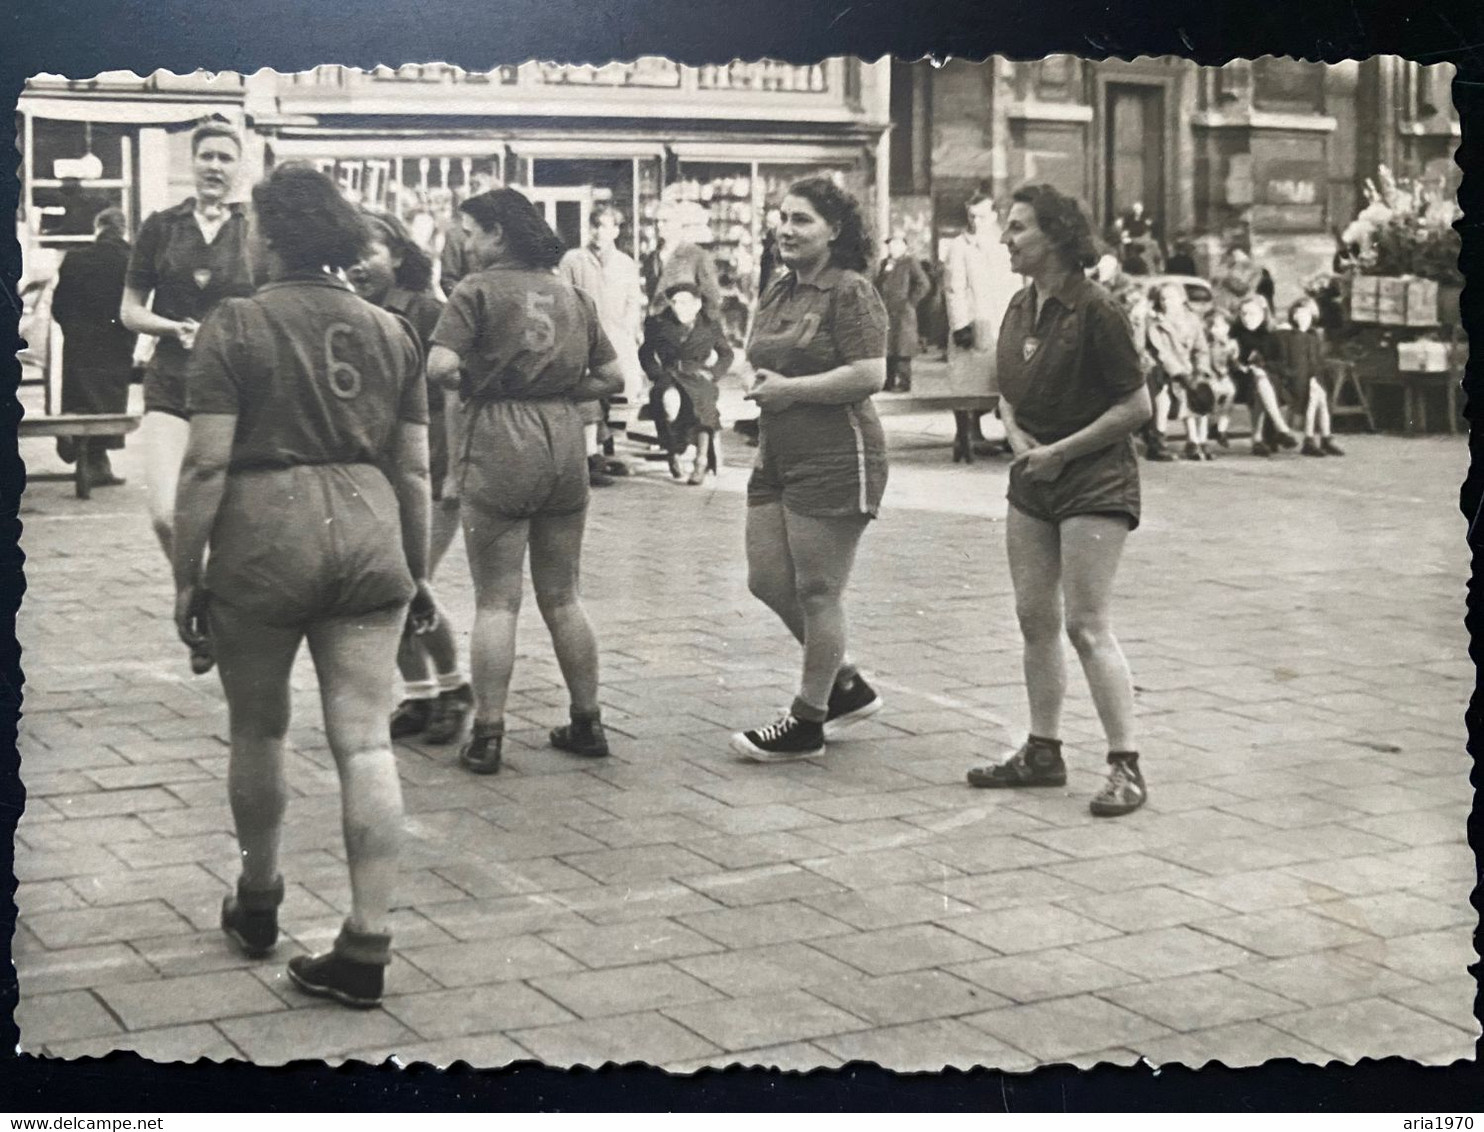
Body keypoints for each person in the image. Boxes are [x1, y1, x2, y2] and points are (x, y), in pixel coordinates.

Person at [170, 164, 434, 1008]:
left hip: (263, 533)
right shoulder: (393, 331)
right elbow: (417, 470)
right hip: (367, 529)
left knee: (260, 730)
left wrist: (188, 577)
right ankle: (366, 942)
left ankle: (259, 900)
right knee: (365, 742)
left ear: (272, 236)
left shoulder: (235, 324)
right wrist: (418, 570)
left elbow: (207, 461)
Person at [964, 183, 1153, 818]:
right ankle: (1043, 752)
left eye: (1018, 228)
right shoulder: (1021, 305)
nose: (1006, 239)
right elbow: (1008, 391)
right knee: (1033, 619)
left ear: (1057, 237)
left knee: (1086, 625)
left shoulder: (1098, 310)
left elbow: (1136, 406)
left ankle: (1126, 766)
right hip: (1033, 480)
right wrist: (1018, 435)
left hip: (1094, 480)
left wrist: (1062, 452)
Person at [425, 189, 627, 776]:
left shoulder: (476, 291)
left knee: (497, 599)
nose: (464, 242)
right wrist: (561, 392)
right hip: (562, 438)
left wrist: (487, 382)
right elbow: (611, 375)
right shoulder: (574, 294)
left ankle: (488, 733)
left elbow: (441, 367)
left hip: (500, 438)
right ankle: (587, 721)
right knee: (563, 595)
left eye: (470, 230)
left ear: (497, 234)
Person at [731, 177, 888, 763]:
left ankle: (808, 721)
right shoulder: (779, 289)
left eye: (801, 221)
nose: (786, 230)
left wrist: (791, 389)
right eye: (783, 218)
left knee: (819, 591)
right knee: (767, 579)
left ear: (835, 231)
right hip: (778, 453)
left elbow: (871, 373)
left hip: (837, 456)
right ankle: (844, 684)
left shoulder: (850, 291)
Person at [348, 209, 475, 746]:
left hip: (431, 466)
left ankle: (456, 687)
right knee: (385, 584)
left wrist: (454, 471)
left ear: (399, 255)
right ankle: (420, 693)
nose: (356, 265)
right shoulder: (353, 311)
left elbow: (456, 392)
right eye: (349, 254)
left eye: (368, 252)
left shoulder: (426, 311)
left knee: (409, 582)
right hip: (376, 468)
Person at [122, 120, 255, 560]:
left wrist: (223, 335)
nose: (215, 166)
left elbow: (272, 308)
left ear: (239, 166)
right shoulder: (161, 226)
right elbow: (130, 311)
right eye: (207, 156)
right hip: (171, 380)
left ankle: (217, 606)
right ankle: (191, 589)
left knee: (232, 517)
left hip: (240, 387)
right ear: (192, 162)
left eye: (225, 158)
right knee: (165, 512)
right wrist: (172, 327)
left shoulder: (254, 230)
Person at [558, 204, 647, 487]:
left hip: (616, 339)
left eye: (606, 226)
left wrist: (630, 328)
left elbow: (634, 300)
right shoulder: (573, 259)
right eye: (595, 225)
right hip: (583, 338)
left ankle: (602, 447)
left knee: (616, 390)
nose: (599, 232)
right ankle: (589, 455)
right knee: (588, 391)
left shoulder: (625, 263)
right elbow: (563, 297)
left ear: (616, 230)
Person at [50, 207, 135, 487]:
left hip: (80, 344)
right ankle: (98, 463)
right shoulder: (131, 259)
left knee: (81, 396)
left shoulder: (75, 258)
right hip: (117, 342)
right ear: (122, 230)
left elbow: (58, 306)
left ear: (98, 228)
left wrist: (73, 331)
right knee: (108, 403)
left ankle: (75, 434)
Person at [943, 189, 1020, 463]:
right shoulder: (960, 246)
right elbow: (954, 289)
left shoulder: (1005, 243)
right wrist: (960, 325)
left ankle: (1013, 436)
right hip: (974, 325)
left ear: (995, 215)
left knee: (1007, 382)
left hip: (1005, 323)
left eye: (982, 216)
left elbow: (1018, 282)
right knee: (970, 386)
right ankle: (968, 435)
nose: (976, 221)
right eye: (972, 216)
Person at [639, 281, 734, 484]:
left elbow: (726, 354)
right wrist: (656, 374)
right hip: (670, 375)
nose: (679, 307)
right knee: (668, 404)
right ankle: (672, 452)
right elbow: (646, 353)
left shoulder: (710, 325)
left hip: (698, 375)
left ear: (697, 304)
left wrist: (714, 373)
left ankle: (700, 462)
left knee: (704, 405)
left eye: (685, 302)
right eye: (674, 302)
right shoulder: (658, 323)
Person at [1146, 281, 1215, 461]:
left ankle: (1196, 440)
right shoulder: (1155, 322)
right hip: (1162, 369)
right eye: (1162, 299)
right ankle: (1157, 440)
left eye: (1171, 298)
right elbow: (1159, 352)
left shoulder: (1192, 320)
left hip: (1189, 367)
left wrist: (1201, 370)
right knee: (1165, 393)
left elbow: (1201, 349)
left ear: (1182, 299)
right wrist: (1181, 374)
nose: (1166, 302)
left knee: (1203, 390)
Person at [1231, 295, 1302, 457]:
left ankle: (1257, 439)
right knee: (1260, 382)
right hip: (1241, 380)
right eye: (1243, 314)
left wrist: (1262, 367)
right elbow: (1232, 362)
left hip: (1269, 381)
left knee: (1261, 382)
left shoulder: (1272, 335)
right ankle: (1281, 428)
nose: (1247, 318)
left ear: (1263, 314)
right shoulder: (1235, 333)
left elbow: (1281, 364)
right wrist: (1241, 364)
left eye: (1252, 313)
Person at [1278, 297, 1346, 458]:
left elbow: (1316, 362)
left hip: (1311, 377)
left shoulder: (1313, 336)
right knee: (1314, 396)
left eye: (1307, 315)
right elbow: (1287, 361)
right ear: (1293, 316)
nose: (1302, 318)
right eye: (1298, 314)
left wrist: (1315, 378)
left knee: (1321, 398)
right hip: (1295, 379)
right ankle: (1308, 439)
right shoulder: (1289, 336)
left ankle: (1326, 437)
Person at [643, 200, 723, 317]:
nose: (659, 225)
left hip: (684, 329)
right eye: (656, 221)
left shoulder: (696, 255)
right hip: (656, 330)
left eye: (665, 221)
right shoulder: (651, 259)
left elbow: (712, 300)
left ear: (678, 223)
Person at [875, 233, 931, 393]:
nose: (893, 247)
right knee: (888, 348)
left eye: (897, 244)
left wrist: (910, 303)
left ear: (904, 246)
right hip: (886, 312)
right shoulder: (885, 263)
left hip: (903, 313)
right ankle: (888, 381)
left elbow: (924, 284)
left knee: (902, 349)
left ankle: (904, 382)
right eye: (891, 244)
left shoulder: (910, 262)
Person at [1202, 309, 1242, 449]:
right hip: (1210, 375)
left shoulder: (1231, 343)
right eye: (1214, 327)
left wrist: (1235, 359)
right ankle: (1212, 424)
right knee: (1213, 394)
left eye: (1222, 326)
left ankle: (1221, 429)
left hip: (1224, 376)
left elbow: (1233, 362)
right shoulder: (1207, 344)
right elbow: (1205, 361)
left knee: (1230, 392)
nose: (1218, 330)